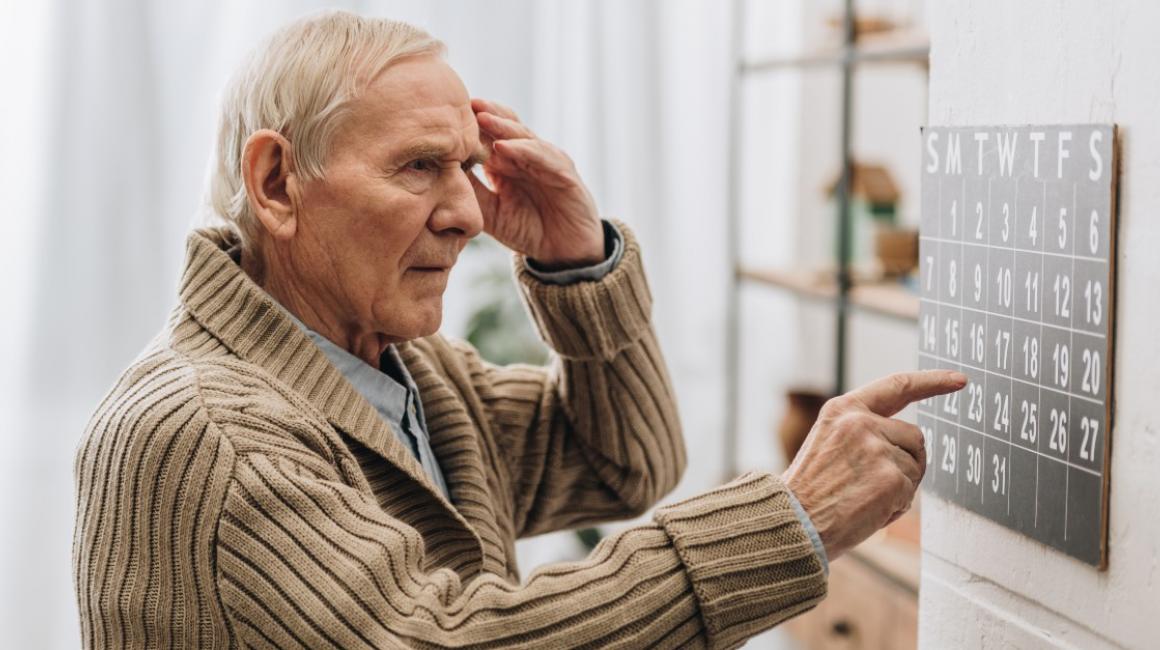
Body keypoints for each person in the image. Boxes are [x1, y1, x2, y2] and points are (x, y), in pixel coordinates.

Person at [72, 10, 965, 649]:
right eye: (420, 166)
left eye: (467, 164)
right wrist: (792, 520)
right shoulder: (201, 431)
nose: (466, 211)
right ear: (275, 184)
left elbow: (626, 462)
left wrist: (580, 265)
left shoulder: (411, 377)